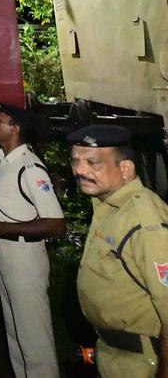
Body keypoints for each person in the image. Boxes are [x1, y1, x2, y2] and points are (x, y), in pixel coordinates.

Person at [0, 103, 66, 378]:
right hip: (5, 255)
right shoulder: (5, 165)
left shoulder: (30, 168)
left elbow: (56, 225)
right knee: (16, 339)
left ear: (14, 128)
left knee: (35, 345)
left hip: (25, 261)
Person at [71, 124, 168, 377]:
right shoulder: (109, 206)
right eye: (76, 161)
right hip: (113, 355)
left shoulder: (143, 221)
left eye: (93, 162)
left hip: (142, 364)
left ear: (125, 169)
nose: (80, 170)